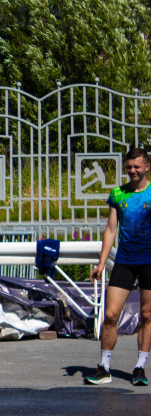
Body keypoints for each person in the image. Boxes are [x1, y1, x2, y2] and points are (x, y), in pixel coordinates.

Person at [86, 147, 151, 386]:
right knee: (111, 314)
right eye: (129, 167)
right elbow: (111, 229)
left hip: (149, 263)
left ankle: (139, 368)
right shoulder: (117, 194)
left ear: (147, 167)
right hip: (124, 261)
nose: (133, 171)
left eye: (137, 167)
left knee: (147, 315)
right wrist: (102, 262)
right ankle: (104, 367)